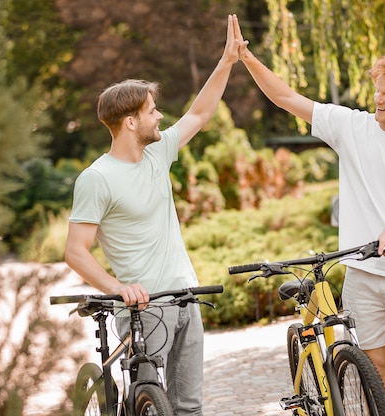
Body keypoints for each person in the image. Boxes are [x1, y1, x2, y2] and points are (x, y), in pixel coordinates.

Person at [231, 16, 385, 416]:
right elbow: (287, 98)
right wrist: (246, 58)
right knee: (374, 370)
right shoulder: (352, 127)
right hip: (363, 276)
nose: (378, 100)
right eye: (377, 91)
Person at [64, 15, 241, 415]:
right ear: (131, 122)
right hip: (143, 309)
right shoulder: (97, 179)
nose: (160, 116)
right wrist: (117, 288)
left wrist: (227, 60)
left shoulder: (158, 153)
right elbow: (76, 251)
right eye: (152, 110)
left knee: (189, 406)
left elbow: (200, 115)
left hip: (186, 296)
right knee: (150, 402)